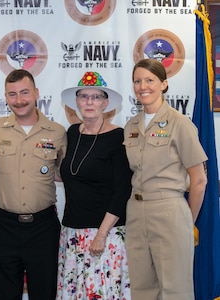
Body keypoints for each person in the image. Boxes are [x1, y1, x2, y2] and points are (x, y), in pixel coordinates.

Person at [124, 59, 207, 300]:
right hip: (136, 211)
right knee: (142, 288)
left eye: (150, 80)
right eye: (137, 81)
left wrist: (186, 221)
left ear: (164, 84)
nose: (143, 86)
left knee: (175, 289)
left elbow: (199, 180)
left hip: (170, 210)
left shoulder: (180, 124)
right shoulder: (131, 126)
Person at [0, 69, 67, 300]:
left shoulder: (58, 133)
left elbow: (65, 173)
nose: (19, 100)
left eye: (24, 92)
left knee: (44, 294)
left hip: (43, 228)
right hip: (4, 226)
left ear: (36, 93)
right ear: (5, 97)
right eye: (12, 94)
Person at [57, 71, 132, 299]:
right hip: (71, 232)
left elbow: (122, 191)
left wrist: (101, 235)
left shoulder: (118, 137)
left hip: (104, 235)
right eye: (84, 96)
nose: (89, 102)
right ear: (76, 101)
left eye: (96, 97)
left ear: (106, 103)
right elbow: (70, 173)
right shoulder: (71, 133)